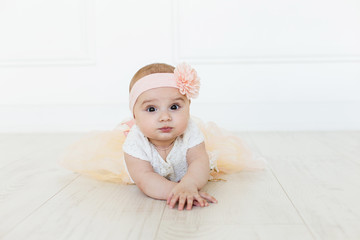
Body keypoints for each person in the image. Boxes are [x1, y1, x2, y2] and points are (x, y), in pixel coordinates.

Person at [60, 62, 263, 211]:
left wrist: (190, 184)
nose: (165, 117)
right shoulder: (135, 142)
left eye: (174, 107)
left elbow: (199, 161)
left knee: (205, 160)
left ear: (188, 107)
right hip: (145, 173)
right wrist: (178, 191)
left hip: (187, 171)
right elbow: (145, 179)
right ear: (135, 115)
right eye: (151, 109)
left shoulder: (190, 131)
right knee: (138, 172)